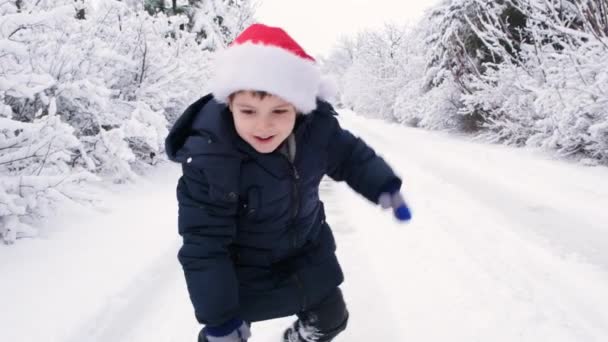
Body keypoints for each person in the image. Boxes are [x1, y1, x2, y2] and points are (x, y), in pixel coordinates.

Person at [165, 23, 411, 342]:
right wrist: (219, 320)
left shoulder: (317, 132)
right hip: (241, 268)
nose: (263, 125)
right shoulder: (211, 159)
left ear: (298, 107)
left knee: (332, 319)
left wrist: (383, 185)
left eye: (279, 111)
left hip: (306, 253)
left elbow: (351, 156)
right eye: (249, 111)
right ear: (229, 106)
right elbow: (204, 244)